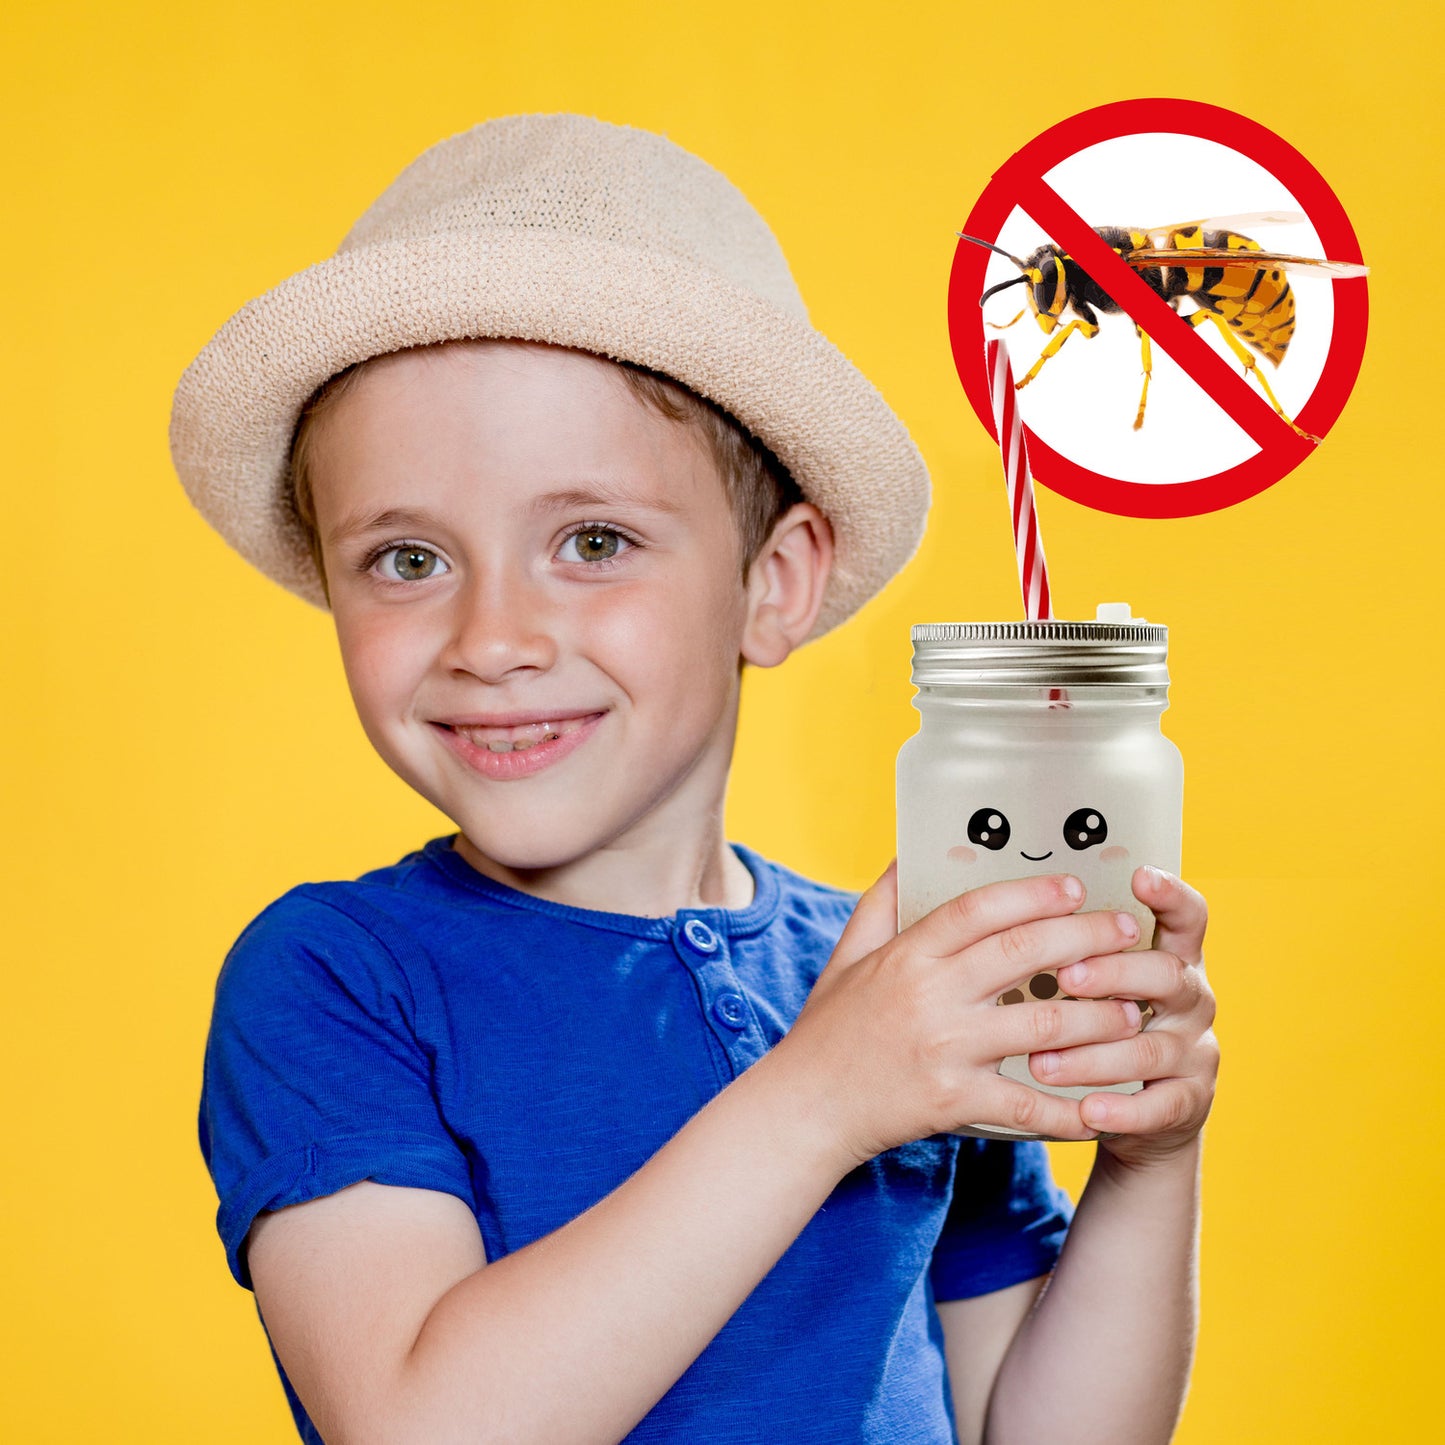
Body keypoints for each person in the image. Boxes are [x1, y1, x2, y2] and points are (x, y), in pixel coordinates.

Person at [174, 114, 1218, 1445]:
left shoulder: (886, 983)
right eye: (407, 559)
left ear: (769, 584)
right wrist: (827, 1093)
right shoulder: (335, 975)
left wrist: (1145, 1156)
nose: (492, 639)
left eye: (592, 539)